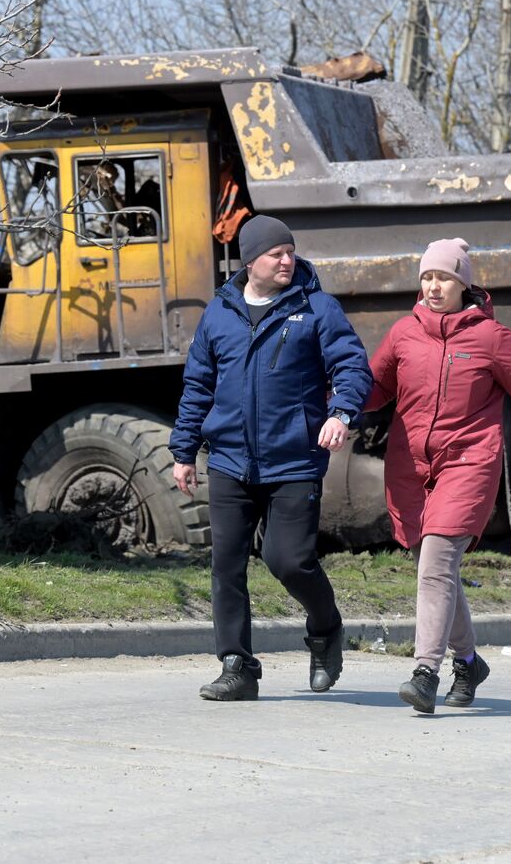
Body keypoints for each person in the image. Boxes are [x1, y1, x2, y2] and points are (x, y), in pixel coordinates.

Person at [365, 238, 511, 714]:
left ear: (462, 283)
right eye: (426, 276)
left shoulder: (492, 338)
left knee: (435, 567)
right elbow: (374, 387)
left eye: (443, 277)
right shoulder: (404, 334)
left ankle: (425, 670)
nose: (432, 285)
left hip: (468, 462)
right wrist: (329, 407)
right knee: (439, 570)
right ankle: (468, 661)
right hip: (410, 466)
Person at [170, 214, 372, 701]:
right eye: (276, 253)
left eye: (290, 252)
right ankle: (237, 665)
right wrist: (183, 450)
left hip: (294, 461)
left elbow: (351, 364)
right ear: (251, 261)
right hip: (229, 462)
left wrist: (342, 412)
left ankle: (325, 631)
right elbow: (198, 386)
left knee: (288, 560)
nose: (288, 260)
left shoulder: (316, 308)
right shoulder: (220, 313)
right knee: (226, 564)